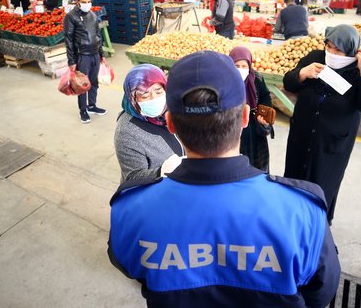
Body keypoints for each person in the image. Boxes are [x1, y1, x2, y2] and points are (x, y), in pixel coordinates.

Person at [108, 50, 341, 307]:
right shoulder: (304, 212)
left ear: (170, 122)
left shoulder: (130, 209)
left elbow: (128, 265)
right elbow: (321, 294)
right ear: (245, 117)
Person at [283, 25, 361, 223]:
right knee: (294, 177)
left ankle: (316, 224)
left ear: (352, 50)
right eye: (328, 47)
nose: (332, 53)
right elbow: (288, 83)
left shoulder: (358, 72)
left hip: (331, 143)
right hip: (302, 135)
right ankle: (289, 218)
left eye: (338, 50)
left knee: (322, 184)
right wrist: (302, 73)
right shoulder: (315, 58)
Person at [114, 64, 184, 182]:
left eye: (158, 91)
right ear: (132, 98)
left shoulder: (171, 109)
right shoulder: (126, 131)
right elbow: (132, 177)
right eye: (145, 95)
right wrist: (160, 172)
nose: (154, 99)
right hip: (159, 189)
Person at [64, 0, 106, 123]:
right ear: (77, 2)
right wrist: (71, 61)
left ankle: (92, 105)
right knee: (82, 84)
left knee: (93, 82)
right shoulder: (71, 17)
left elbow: (98, 35)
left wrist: (101, 53)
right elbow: (68, 40)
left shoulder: (92, 15)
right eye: (84, 2)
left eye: (89, 1)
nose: (87, 4)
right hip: (82, 56)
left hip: (95, 54)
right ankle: (83, 110)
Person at [229, 46, 272, 171]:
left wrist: (263, 114)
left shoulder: (257, 79)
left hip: (252, 127)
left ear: (249, 66)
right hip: (231, 126)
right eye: (236, 66)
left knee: (254, 163)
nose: (241, 69)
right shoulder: (225, 80)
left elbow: (265, 96)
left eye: (244, 66)